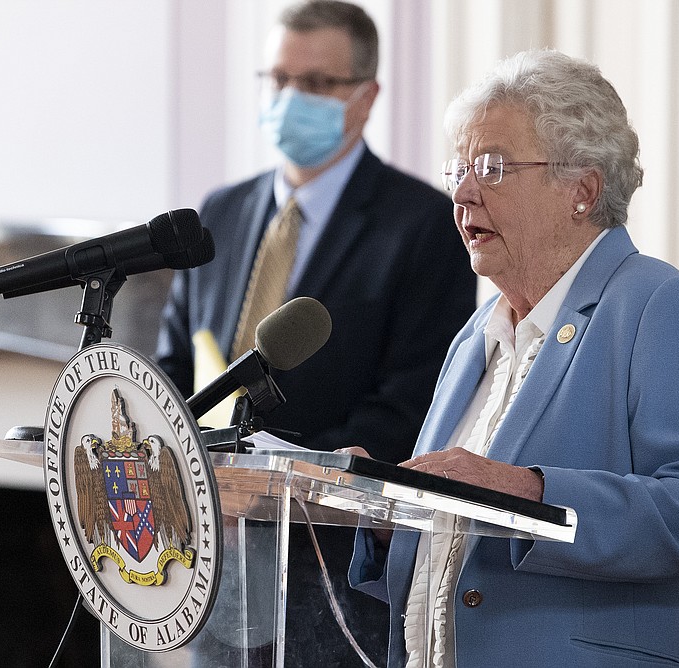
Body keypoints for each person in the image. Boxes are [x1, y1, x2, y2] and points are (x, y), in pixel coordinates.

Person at [348, 49, 679, 667]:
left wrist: (525, 490)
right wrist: (382, 506)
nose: (463, 191)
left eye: (492, 167)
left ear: (581, 191)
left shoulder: (657, 303)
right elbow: (457, 529)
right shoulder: (477, 333)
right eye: (459, 168)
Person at [155, 1, 477, 665]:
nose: (289, 98)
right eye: (276, 79)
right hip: (216, 553)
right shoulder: (221, 211)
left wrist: (277, 485)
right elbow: (178, 360)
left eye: (316, 84)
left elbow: (413, 398)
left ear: (366, 97)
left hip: (332, 566)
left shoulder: (422, 224)